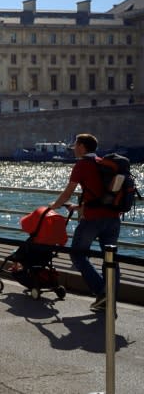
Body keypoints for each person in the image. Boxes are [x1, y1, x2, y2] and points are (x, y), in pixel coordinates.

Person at [49, 133, 120, 313]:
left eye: (75, 145)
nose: (73, 148)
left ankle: (101, 292)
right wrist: (78, 206)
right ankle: (110, 296)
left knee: (78, 255)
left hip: (92, 219)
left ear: (82, 147)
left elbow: (68, 192)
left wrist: (54, 206)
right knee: (110, 258)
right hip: (112, 218)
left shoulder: (81, 165)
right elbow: (98, 193)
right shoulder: (102, 162)